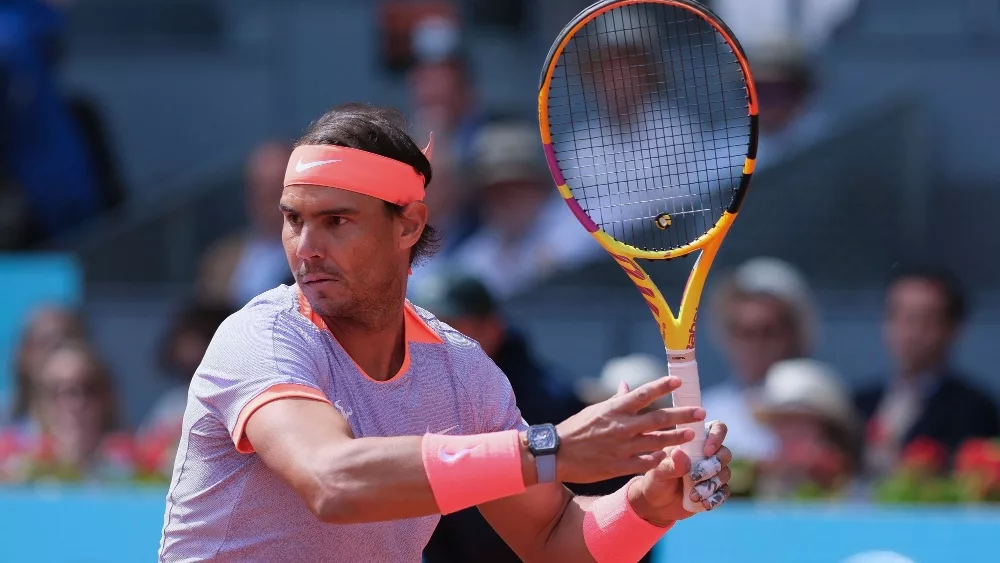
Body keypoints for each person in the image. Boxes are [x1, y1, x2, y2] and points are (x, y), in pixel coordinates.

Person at [158, 103, 734, 563]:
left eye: (336, 221)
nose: (306, 248)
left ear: (407, 224)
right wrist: (548, 449)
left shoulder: (461, 371)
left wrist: (646, 505)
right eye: (294, 220)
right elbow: (332, 481)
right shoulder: (260, 336)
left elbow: (555, 542)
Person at [855, 265, 999, 478]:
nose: (911, 333)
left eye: (925, 319)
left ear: (955, 327)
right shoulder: (859, 404)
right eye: (900, 316)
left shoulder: (976, 412)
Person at [702, 257, 817, 462]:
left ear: (793, 333)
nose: (754, 344)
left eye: (768, 331)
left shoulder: (818, 405)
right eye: (744, 332)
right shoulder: (706, 409)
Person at [197, 141, 295, 308]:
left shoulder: (313, 254)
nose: (265, 196)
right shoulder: (222, 258)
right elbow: (204, 320)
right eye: (258, 186)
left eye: (276, 186)